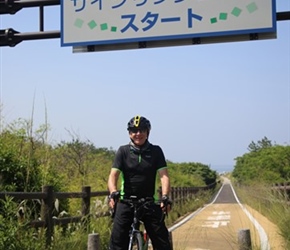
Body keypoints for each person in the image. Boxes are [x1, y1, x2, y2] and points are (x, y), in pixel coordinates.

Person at [108, 115, 172, 250]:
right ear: (129, 133)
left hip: (149, 201)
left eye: (142, 130)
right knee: (117, 241)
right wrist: (113, 192)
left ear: (148, 132)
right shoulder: (123, 151)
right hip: (126, 201)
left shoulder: (156, 151)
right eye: (134, 131)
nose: (138, 134)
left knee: (162, 241)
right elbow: (113, 175)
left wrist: (165, 196)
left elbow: (164, 176)